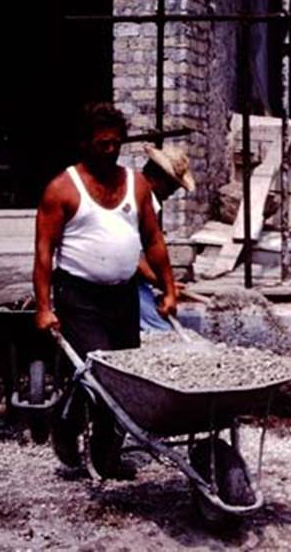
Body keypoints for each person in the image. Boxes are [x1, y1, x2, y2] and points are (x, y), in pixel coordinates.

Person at [33, 102, 178, 478]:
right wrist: (44, 306)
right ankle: (89, 441)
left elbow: (154, 240)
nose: (110, 150)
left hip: (123, 295)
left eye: (115, 143)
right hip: (79, 298)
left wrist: (169, 289)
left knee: (124, 375)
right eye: (102, 144)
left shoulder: (137, 185)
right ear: (85, 143)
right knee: (103, 372)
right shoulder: (61, 189)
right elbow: (44, 253)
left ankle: (90, 440)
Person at [137, 143, 195, 332]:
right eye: (171, 185)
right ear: (156, 177)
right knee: (161, 331)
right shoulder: (141, 200)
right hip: (120, 282)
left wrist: (166, 284)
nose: (173, 193)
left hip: (132, 280)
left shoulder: (144, 199)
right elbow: (133, 259)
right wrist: (165, 286)